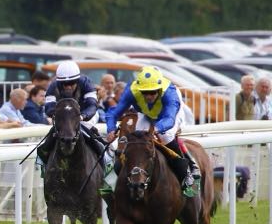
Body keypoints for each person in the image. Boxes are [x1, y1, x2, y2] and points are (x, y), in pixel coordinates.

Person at [105, 66, 198, 197]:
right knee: (137, 139)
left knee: (165, 135)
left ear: (159, 89)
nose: (149, 96)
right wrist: (110, 129)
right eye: (145, 92)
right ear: (139, 89)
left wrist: (156, 129)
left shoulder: (169, 94)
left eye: (153, 92)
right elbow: (113, 113)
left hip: (169, 115)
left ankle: (188, 170)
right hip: (147, 113)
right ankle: (120, 176)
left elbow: (169, 119)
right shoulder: (132, 91)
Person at [37, 61, 108, 176]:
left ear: (77, 80)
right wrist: (58, 115)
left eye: (72, 83)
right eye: (65, 84)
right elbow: (49, 108)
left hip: (85, 115)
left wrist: (82, 116)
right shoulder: (53, 85)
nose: (68, 86)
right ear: (60, 82)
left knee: (87, 128)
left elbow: (92, 105)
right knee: (50, 138)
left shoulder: (86, 83)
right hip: (63, 116)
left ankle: (104, 163)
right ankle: (44, 167)